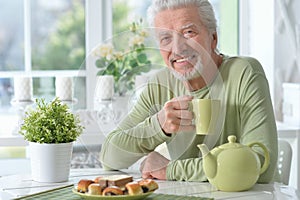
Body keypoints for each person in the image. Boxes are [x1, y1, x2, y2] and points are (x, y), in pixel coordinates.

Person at [100, 0, 278, 182]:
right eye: (166, 38)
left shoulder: (244, 72)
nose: (178, 49)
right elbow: (109, 157)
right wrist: (159, 125)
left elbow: (261, 165)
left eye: (188, 32)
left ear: (213, 38)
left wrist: (172, 170)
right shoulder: (160, 84)